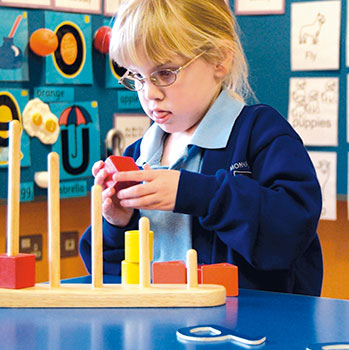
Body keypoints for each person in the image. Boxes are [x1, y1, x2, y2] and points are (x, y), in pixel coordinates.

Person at [78, 0, 323, 296]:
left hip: (245, 333)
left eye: (165, 73)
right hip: (159, 332)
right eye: (137, 77)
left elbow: (292, 230)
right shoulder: (138, 154)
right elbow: (108, 273)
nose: (149, 93)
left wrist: (199, 194)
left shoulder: (259, 133)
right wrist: (117, 224)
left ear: (219, 60)